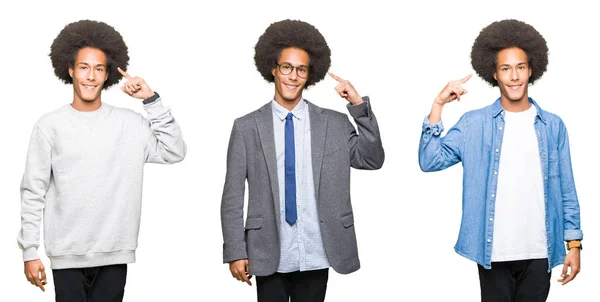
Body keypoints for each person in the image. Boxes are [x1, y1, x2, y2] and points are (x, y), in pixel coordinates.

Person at [17, 19, 186, 301]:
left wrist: (150, 100)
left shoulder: (130, 124)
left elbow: (174, 151)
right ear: (70, 70)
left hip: (114, 253)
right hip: (66, 255)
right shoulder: (49, 126)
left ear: (108, 75)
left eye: (99, 69)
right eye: (84, 67)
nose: (91, 76)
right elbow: (33, 192)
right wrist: (29, 251)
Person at [418, 19, 582, 301]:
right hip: (493, 253)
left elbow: (567, 189)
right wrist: (438, 105)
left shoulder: (553, 126)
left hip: (540, 252)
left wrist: (575, 245)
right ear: (494, 74)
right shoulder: (473, 124)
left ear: (531, 70)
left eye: (520, 67)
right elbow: (430, 160)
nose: (514, 76)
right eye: (506, 69)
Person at [220, 19, 384, 301]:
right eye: (286, 67)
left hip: (318, 250)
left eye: (301, 69)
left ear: (310, 75)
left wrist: (358, 106)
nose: (292, 76)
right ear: (273, 69)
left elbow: (371, 159)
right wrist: (235, 250)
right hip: (268, 250)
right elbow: (232, 196)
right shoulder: (246, 127)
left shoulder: (334, 123)